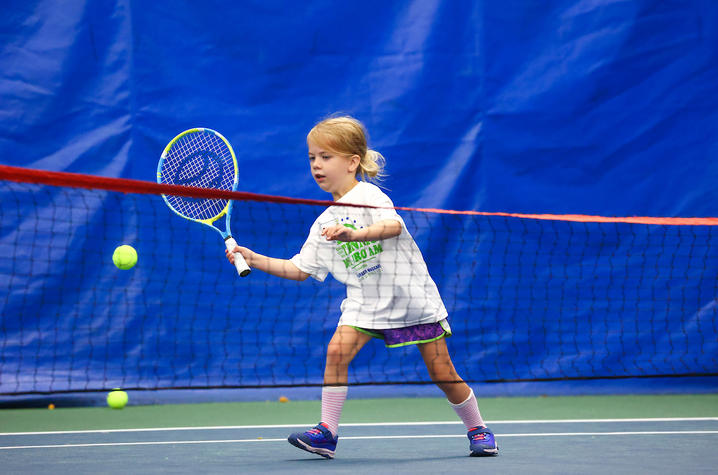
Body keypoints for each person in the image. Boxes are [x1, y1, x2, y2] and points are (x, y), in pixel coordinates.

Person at [226, 116, 498, 459]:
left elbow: (392, 226)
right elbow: (298, 269)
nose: (316, 165)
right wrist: (254, 256)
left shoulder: (368, 195)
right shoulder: (323, 220)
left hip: (410, 299)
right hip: (365, 303)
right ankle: (327, 432)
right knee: (336, 352)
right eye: (312, 157)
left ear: (352, 161)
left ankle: (478, 428)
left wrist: (354, 234)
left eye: (326, 156)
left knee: (442, 372)